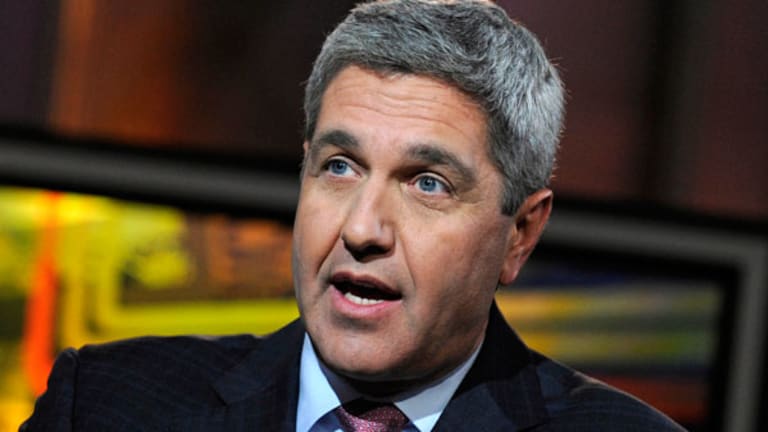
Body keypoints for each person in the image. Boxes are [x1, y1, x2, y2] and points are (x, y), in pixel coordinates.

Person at [22, 1, 685, 431]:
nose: (362, 230)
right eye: (340, 167)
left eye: (427, 183)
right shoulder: (105, 404)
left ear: (521, 234)